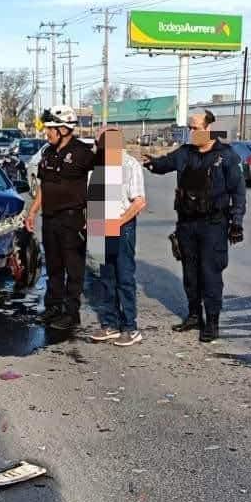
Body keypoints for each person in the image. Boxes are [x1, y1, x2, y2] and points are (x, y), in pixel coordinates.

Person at [142, 110, 246, 343]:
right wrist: (151, 163)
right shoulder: (185, 153)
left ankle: (212, 323)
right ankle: (193, 315)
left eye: (195, 128)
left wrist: (237, 221)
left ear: (208, 128)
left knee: (210, 274)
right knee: (190, 273)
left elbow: (238, 192)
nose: (191, 132)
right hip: (187, 223)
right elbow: (164, 164)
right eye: (190, 128)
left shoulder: (226, 156)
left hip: (214, 224)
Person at [25, 106, 96, 330]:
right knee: (54, 267)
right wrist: (33, 211)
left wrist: (96, 217)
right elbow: (44, 187)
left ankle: (71, 313)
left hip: (72, 219)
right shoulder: (48, 152)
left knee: (73, 269)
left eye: (50, 129)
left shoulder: (83, 153)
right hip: (50, 219)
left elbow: (103, 184)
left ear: (64, 129)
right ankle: (53, 308)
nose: (47, 133)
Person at [89, 127, 147, 347]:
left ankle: (130, 328)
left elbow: (139, 201)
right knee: (105, 278)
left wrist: (117, 222)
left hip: (122, 226)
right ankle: (110, 325)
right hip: (100, 225)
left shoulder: (129, 165)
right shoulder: (99, 165)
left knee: (124, 277)